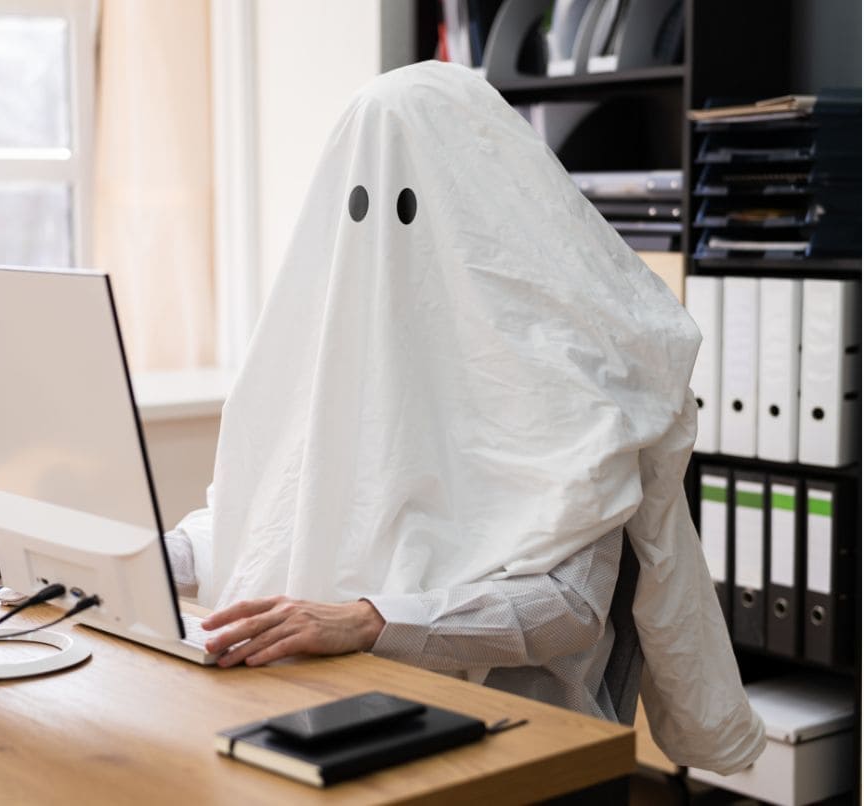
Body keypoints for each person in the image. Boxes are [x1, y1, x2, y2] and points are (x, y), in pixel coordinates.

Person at [165, 60, 764, 775]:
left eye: (410, 203)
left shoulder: (575, 369)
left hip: (501, 732)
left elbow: (568, 606)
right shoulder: (348, 352)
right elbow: (265, 513)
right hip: (328, 703)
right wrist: (147, 558)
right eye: (356, 202)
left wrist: (367, 620)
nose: (382, 238)